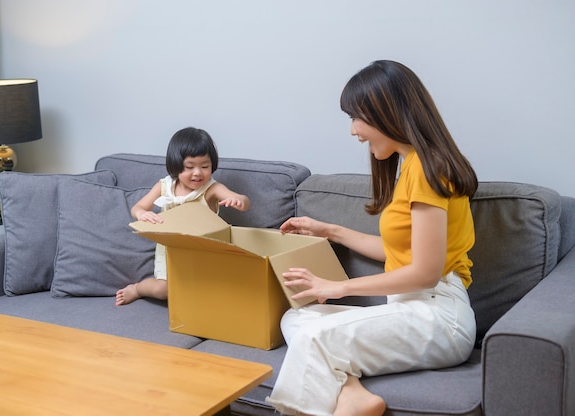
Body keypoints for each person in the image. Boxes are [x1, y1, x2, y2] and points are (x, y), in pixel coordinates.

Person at [265, 60, 478, 416]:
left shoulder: (428, 169)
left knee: (315, 337)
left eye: (357, 118)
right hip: (413, 308)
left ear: (387, 112)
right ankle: (351, 394)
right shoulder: (410, 166)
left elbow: (425, 273)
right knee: (298, 317)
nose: (353, 131)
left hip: (440, 315)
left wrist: (338, 288)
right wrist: (328, 230)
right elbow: (399, 252)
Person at [115, 127, 250, 306]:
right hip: (169, 248)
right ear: (176, 166)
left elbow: (244, 200)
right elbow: (137, 207)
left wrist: (238, 201)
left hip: (201, 251)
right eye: (189, 167)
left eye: (205, 166)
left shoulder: (210, 189)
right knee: (163, 290)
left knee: (209, 290)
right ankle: (137, 289)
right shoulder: (164, 186)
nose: (198, 173)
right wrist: (142, 213)